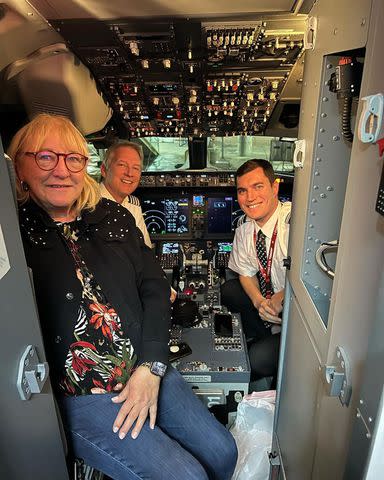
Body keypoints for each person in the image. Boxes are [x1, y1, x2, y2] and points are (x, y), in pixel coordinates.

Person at [8, 113, 237, 480]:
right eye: (45, 157)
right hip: (81, 391)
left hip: (143, 364)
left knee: (223, 452)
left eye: (73, 158)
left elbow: (155, 288)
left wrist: (152, 366)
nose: (61, 171)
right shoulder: (12, 235)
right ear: (18, 167)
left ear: (85, 167)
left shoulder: (113, 216)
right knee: (186, 476)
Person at [221, 159, 291, 381]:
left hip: (295, 311)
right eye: (243, 190)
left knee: (256, 361)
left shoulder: (295, 222)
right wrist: (259, 301)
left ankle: (267, 342)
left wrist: (282, 298)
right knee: (229, 290)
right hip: (269, 305)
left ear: (275, 187)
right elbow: (245, 273)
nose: (250, 198)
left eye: (258, 187)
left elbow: (308, 276)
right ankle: (263, 333)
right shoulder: (244, 231)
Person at [100, 141, 152, 247]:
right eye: (122, 165)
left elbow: (145, 249)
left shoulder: (133, 205)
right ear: (104, 170)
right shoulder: (86, 201)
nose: (129, 173)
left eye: (136, 168)